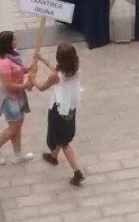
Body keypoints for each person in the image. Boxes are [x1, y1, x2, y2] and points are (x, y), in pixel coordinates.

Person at [34, 43, 84, 187]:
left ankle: (77, 171)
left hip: (59, 108)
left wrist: (32, 80)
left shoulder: (55, 77)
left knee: (63, 141)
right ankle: (53, 156)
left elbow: (42, 87)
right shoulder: (76, 70)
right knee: (61, 135)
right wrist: (43, 60)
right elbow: (58, 72)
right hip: (70, 108)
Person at [0, 31, 35, 165]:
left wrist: (27, 69)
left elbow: (18, 70)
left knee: (17, 126)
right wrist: (25, 85)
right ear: (7, 43)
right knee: (14, 128)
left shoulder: (13, 55)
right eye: (14, 40)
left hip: (18, 95)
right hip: (9, 99)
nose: (16, 41)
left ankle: (17, 155)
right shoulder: (3, 63)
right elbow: (8, 85)